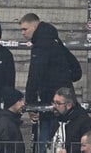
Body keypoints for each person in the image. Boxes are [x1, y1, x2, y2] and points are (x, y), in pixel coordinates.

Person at [19, 14, 82, 152]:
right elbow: (76, 68)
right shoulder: (54, 39)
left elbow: (34, 75)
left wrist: (31, 104)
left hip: (51, 100)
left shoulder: (41, 45)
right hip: (66, 98)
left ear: (35, 26)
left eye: (25, 29)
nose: (23, 33)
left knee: (48, 139)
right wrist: (64, 77)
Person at [49, 88, 91, 153]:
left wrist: (68, 151)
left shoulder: (86, 122)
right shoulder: (56, 119)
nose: (54, 106)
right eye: (53, 102)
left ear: (69, 105)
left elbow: (90, 147)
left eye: (58, 103)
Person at [0, 88, 26, 153]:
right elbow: (1, 147)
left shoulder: (11, 120)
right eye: (20, 100)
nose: (23, 104)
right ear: (12, 102)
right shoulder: (4, 122)